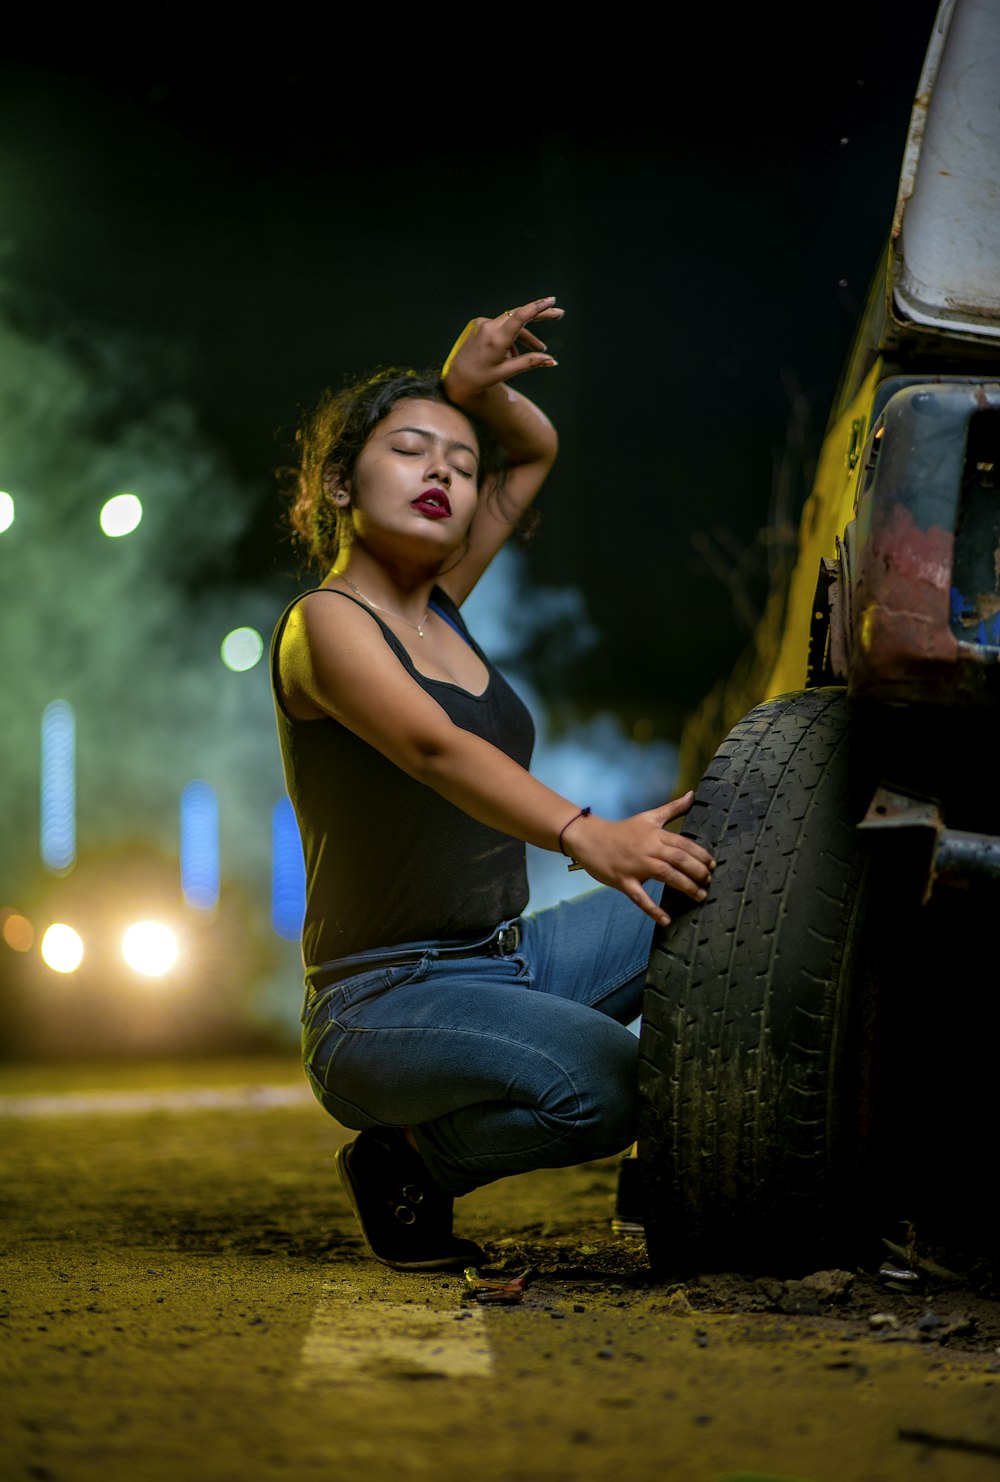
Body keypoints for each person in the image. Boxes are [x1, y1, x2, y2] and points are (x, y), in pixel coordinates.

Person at [270, 295, 715, 1271]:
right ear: (340, 485)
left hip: (504, 957)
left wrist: (471, 387)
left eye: (461, 464)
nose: (443, 470)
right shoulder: (326, 625)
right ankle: (411, 1158)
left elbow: (534, 451)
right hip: (378, 1002)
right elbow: (433, 749)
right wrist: (584, 833)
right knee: (607, 1086)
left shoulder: (441, 608)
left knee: (709, 892)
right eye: (411, 450)